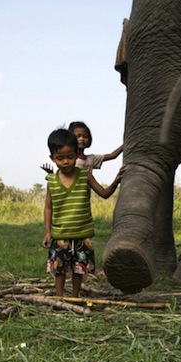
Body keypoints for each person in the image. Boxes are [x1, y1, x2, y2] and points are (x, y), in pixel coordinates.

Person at [42, 128, 125, 298]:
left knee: (79, 269)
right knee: (60, 269)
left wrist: (116, 180)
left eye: (70, 157)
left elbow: (104, 193)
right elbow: (48, 207)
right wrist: (48, 232)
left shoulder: (85, 175)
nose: (66, 162)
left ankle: (74, 297)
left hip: (82, 234)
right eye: (60, 158)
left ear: (77, 154)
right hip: (60, 234)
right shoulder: (51, 181)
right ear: (52, 158)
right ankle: (59, 297)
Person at [40, 120, 122, 176]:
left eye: (85, 136)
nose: (81, 139)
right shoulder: (68, 160)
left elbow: (112, 155)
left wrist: (127, 144)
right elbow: (63, 179)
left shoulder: (91, 159)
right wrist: (52, 175)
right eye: (78, 136)